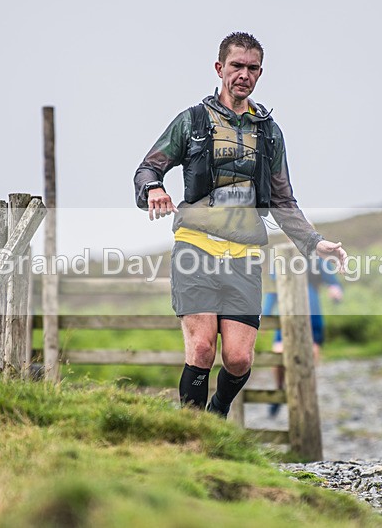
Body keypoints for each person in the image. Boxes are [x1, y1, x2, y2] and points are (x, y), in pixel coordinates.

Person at [133, 32, 347, 418]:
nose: (243, 74)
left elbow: (283, 200)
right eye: (236, 66)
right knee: (201, 349)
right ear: (220, 68)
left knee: (238, 359)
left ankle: (217, 413)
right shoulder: (192, 122)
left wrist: (315, 244)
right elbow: (149, 166)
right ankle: (193, 434)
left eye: (251, 68)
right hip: (196, 246)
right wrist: (153, 188)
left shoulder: (268, 132)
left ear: (260, 73)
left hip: (245, 254)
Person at [262, 257, 343, 417]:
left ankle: (306, 394)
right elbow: (273, 292)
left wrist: (336, 291)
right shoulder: (281, 260)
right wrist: (265, 314)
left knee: (311, 353)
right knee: (279, 353)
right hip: (287, 315)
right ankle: (280, 390)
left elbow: (333, 281)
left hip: (312, 316)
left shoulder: (316, 261)